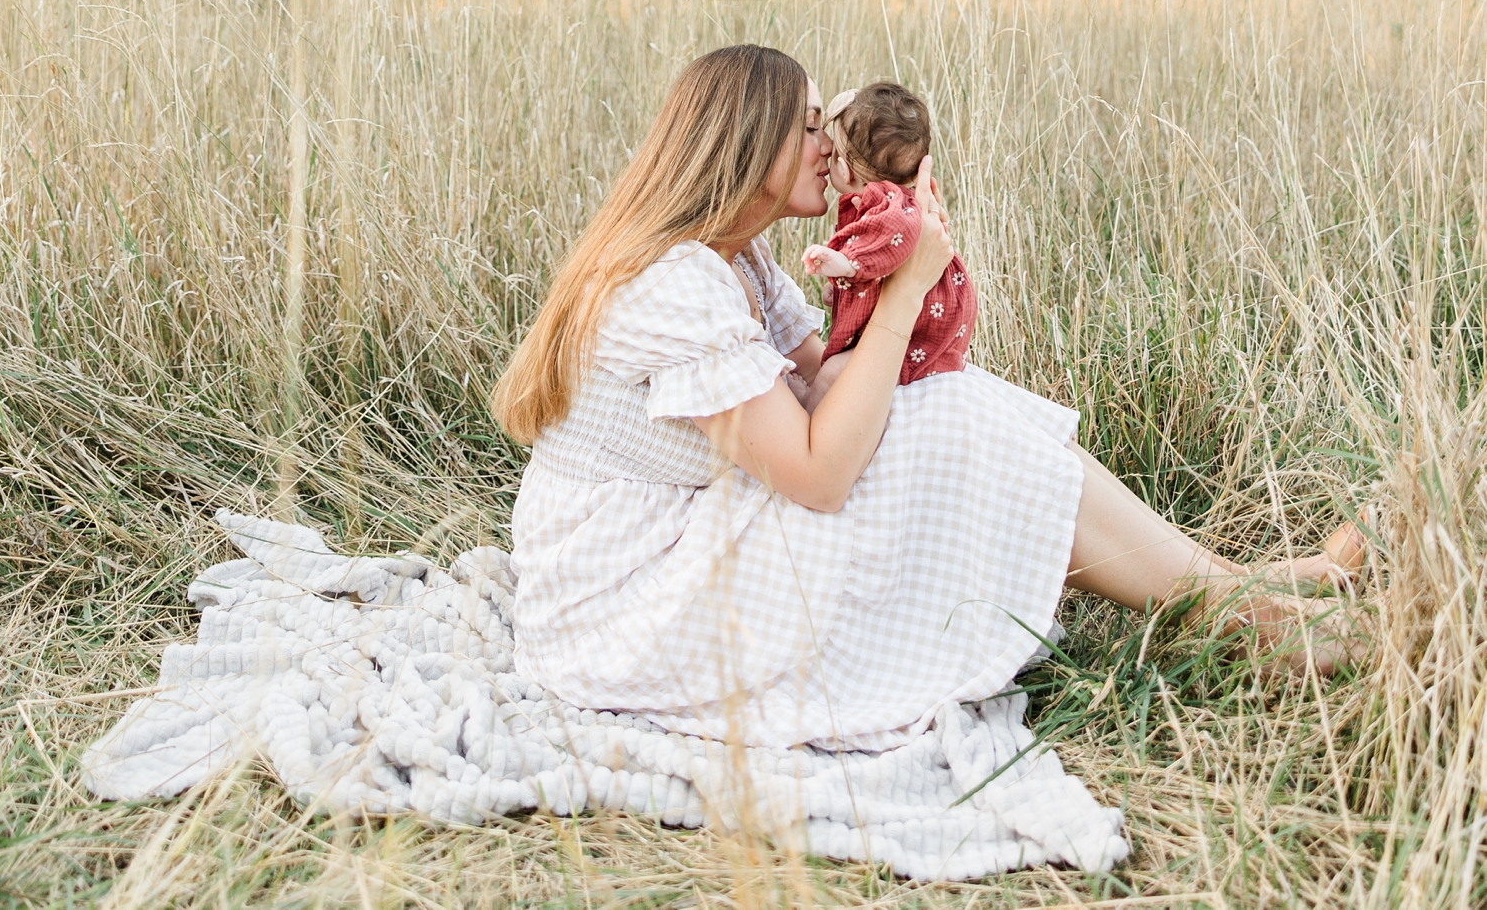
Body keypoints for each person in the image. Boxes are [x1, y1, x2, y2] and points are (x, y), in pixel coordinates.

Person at [493, 46, 1362, 750]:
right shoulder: (673, 284)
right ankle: (1258, 622)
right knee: (949, 420)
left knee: (948, 398)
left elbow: (828, 379)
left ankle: (1231, 590)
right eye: (808, 127)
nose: (830, 144)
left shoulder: (738, 258)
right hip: (628, 608)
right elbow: (820, 473)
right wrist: (906, 291)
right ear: (748, 143)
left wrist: (898, 271)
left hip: (694, 536)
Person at [800, 79, 978, 408]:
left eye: (835, 151)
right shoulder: (895, 201)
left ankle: (808, 418)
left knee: (831, 375)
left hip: (914, 338)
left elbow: (884, 246)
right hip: (914, 329)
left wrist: (845, 265)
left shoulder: (889, 206)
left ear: (845, 168)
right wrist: (842, 288)